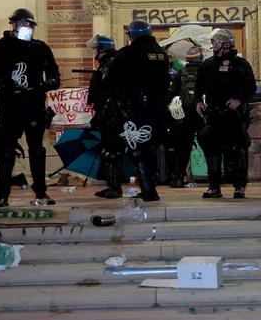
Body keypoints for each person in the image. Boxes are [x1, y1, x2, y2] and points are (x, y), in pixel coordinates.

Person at [0, 8, 61, 207]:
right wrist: (14, 87)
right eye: (23, 24)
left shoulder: (40, 48)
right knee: (6, 150)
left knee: (37, 149)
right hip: (10, 105)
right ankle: (2, 194)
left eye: (29, 25)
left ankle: (40, 192)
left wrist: (40, 86)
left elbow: (55, 77)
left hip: (34, 105)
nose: (26, 28)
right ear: (14, 25)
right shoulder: (1, 47)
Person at [105, 19, 171, 202]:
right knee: (150, 147)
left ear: (131, 34)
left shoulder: (128, 53)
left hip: (135, 109)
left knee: (137, 149)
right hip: (157, 109)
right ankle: (152, 186)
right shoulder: (161, 53)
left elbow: (111, 79)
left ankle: (149, 190)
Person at [194, 30, 257, 199]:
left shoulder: (240, 64)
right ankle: (214, 187)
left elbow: (251, 87)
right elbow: (198, 86)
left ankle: (239, 187)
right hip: (213, 114)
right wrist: (198, 101)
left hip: (234, 114)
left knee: (237, 150)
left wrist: (239, 99)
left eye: (214, 41)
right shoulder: (207, 64)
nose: (212, 44)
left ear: (225, 43)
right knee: (212, 150)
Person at [87, 34, 124, 199]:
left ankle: (114, 187)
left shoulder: (109, 65)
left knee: (111, 151)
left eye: (96, 49)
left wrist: (103, 114)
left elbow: (105, 92)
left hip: (111, 115)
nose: (95, 52)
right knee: (109, 150)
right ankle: (112, 185)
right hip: (109, 114)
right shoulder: (111, 64)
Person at [165, 46, 205, 188]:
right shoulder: (206, 71)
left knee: (182, 148)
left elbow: (172, 94)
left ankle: (177, 178)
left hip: (184, 116)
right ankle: (215, 181)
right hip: (202, 114)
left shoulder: (181, 72)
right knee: (210, 147)